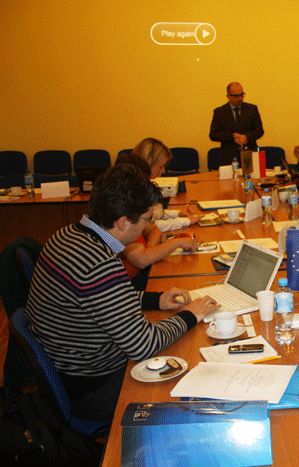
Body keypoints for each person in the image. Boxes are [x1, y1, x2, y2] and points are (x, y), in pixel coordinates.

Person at [25, 164, 219, 423]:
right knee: (196, 364)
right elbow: (143, 345)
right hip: (94, 387)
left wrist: (156, 299)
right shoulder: (99, 263)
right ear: (123, 222)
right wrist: (189, 315)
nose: (149, 225)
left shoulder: (68, 235)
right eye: (147, 218)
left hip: (70, 369)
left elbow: (103, 301)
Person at [117, 140, 200, 289]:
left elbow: (154, 229)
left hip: (141, 272)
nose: (163, 171)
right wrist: (174, 243)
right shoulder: (124, 205)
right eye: (160, 166)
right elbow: (142, 259)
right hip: (130, 284)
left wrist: (150, 250)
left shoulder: (137, 199)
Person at [209, 82, 264, 166]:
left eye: (242, 94)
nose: (240, 98)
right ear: (228, 96)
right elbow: (213, 135)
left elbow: (259, 130)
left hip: (249, 155)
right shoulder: (220, 112)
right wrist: (232, 136)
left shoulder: (252, 109)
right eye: (236, 96)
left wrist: (246, 137)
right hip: (229, 157)